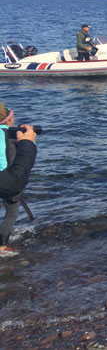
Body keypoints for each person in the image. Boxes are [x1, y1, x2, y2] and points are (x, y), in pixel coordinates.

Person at [0, 105, 37, 257]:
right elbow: (24, 156)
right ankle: (2, 247)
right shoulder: (10, 135)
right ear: (9, 120)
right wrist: (30, 141)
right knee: (11, 212)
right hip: (8, 179)